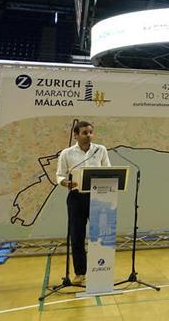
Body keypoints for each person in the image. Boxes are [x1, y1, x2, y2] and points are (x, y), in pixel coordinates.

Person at [55, 120, 111, 284]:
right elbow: (59, 175)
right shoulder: (67, 153)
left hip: (98, 197)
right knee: (77, 236)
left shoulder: (100, 150)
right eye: (85, 133)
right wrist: (66, 183)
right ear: (76, 135)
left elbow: (108, 169)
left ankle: (100, 270)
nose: (89, 136)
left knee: (99, 236)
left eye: (91, 132)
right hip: (76, 197)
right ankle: (80, 273)